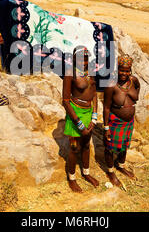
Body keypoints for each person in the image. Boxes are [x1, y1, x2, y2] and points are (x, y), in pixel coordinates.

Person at [62, 46, 100, 193]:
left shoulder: (90, 73)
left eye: (85, 58)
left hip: (88, 112)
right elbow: (65, 100)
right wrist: (78, 122)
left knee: (85, 145)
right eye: (80, 59)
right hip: (75, 114)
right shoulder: (70, 74)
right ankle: (71, 178)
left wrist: (94, 117)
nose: (83, 62)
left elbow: (94, 94)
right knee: (74, 147)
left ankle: (86, 173)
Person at [103, 54, 140, 186]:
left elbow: (137, 92)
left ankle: (121, 165)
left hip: (129, 122)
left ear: (130, 70)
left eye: (127, 70)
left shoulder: (134, 81)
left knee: (125, 145)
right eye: (121, 70)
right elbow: (106, 107)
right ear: (117, 69)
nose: (124, 73)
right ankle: (110, 171)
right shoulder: (111, 85)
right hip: (115, 121)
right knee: (109, 147)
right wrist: (106, 127)